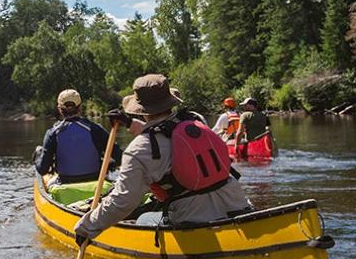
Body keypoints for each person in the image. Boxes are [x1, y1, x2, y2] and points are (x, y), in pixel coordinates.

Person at [74, 74, 252, 239]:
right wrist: (128, 123)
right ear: (170, 101)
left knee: (143, 219)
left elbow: (123, 202)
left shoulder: (138, 150)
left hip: (194, 219)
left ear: (141, 109)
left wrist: (85, 228)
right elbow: (165, 132)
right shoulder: (196, 122)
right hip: (237, 204)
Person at [34, 89, 123, 184]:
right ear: (80, 107)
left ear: (59, 109)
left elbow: (43, 170)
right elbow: (121, 158)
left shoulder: (52, 133)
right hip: (95, 182)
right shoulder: (96, 129)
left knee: (39, 154)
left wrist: (37, 157)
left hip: (65, 183)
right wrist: (108, 164)